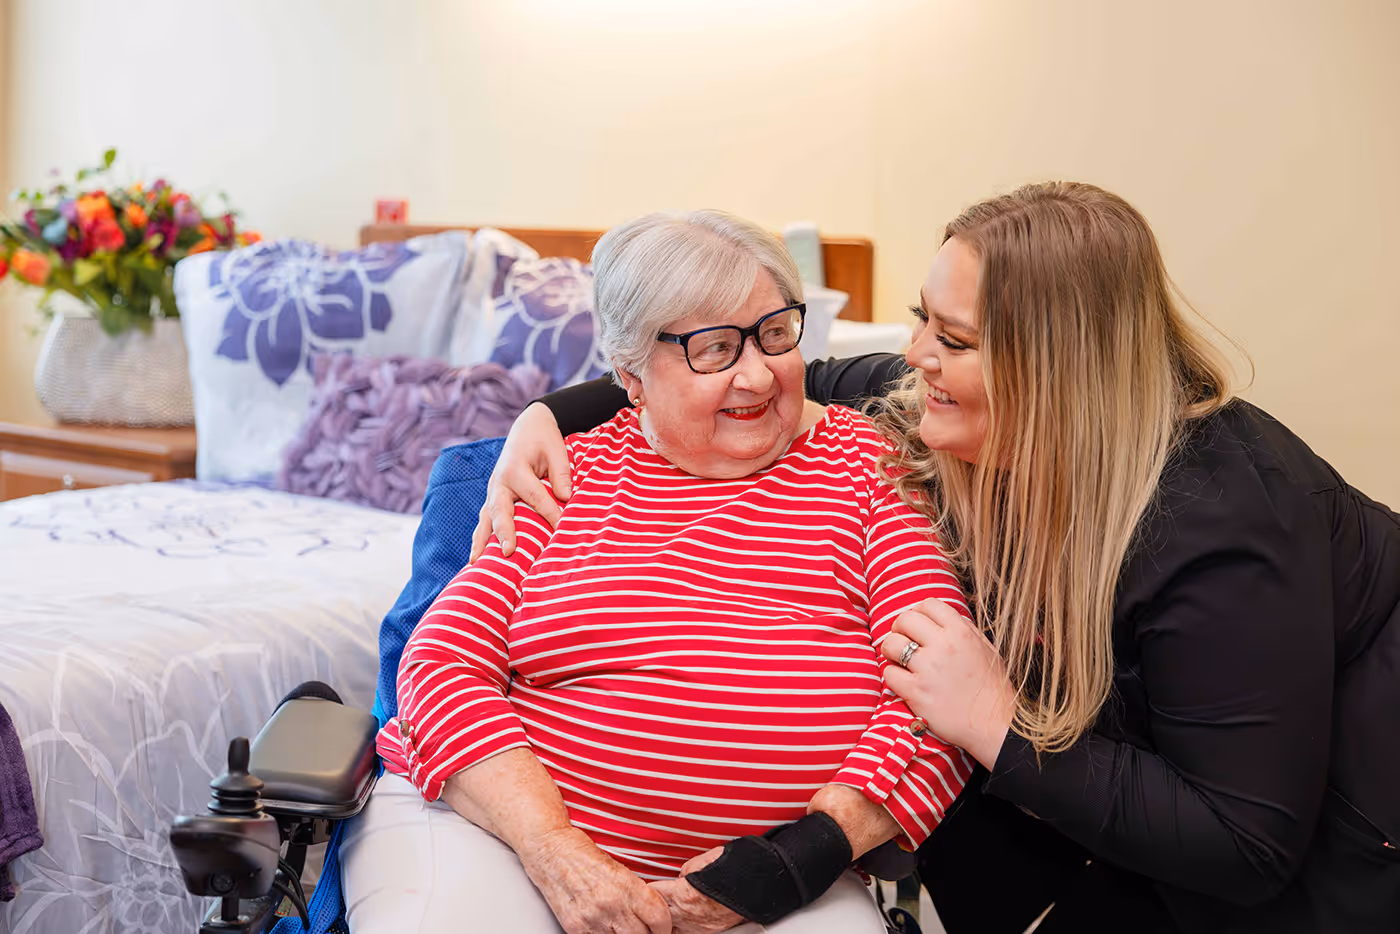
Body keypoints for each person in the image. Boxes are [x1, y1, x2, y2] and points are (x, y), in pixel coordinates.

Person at [478, 182, 1400, 933]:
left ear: (1057, 375)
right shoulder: (936, 399)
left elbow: (1246, 844)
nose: (910, 353)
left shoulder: (1224, 521)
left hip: (1330, 834)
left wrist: (995, 722)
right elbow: (761, 378)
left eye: (950, 339)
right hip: (1113, 791)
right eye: (924, 319)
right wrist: (549, 416)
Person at [339, 209, 975, 934]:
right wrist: (555, 849)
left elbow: (939, 698)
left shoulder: (870, 470)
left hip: (781, 874)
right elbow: (441, 666)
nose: (759, 373)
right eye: (714, 349)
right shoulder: (567, 474)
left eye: (775, 333)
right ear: (630, 375)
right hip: (502, 841)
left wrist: (797, 858)